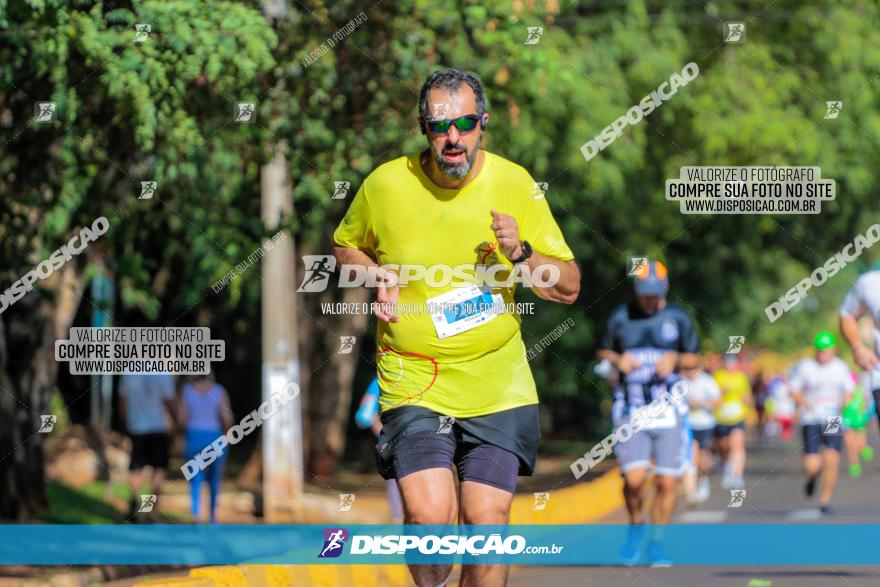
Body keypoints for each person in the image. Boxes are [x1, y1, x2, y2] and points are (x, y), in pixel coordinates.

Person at [332, 68, 580, 587]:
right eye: (439, 125)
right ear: (424, 127)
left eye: (465, 123)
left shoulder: (514, 184)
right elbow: (343, 246)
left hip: (497, 384)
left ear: (483, 124)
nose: (453, 137)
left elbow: (569, 285)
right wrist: (373, 272)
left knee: (487, 523)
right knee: (428, 521)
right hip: (415, 379)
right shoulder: (385, 184)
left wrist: (521, 253)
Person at [597, 259, 699, 565]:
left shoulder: (678, 319)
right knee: (634, 479)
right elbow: (602, 351)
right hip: (632, 410)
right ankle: (637, 525)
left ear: (664, 289)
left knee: (668, 482)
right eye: (643, 293)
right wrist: (617, 360)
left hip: (670, 413)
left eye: (654, 293)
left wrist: (676, 359)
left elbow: (697, 360)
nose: (649, 299)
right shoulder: (620, 318)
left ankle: (657, 543)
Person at [788, 331, 854, 514]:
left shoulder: (840, 367)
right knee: (812, 465)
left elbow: (848, 391)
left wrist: (844, 405)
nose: (823, 354)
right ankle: (812, 478)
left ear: (833, 350)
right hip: (811, 418)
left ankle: (825, 500)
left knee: (832, 459)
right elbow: (793, 389)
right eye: (820, 350)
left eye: (826, 350)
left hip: (832, 417)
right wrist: (803, 401)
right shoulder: (806, 367)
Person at [118, 373, 176, 521]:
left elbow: (122, 402)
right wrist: (176, 421)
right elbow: (168, 401)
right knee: (158, 470)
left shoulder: (128, 373)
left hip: (136, 427)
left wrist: (125, 422)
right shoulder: (163, 374)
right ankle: (151, 512)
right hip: (158, 427)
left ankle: (135, 501)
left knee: (136, 468)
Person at [181, 372, 234, 523]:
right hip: (215, 437)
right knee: (214, 478)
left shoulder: (187, 391)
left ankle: (196, 513)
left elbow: (182, 418)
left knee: (195, 477)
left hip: (193, 436)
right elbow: (226, 417)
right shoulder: (219, 391)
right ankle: (212, 515)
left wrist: (180, 434)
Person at [355, 377, 403, 523]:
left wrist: (382, 432)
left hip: (393, 438)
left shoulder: (381, 378)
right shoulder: (380, 380)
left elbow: (364, 416)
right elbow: (364, 415)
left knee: (395, 480)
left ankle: (398, 519)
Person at [839, 265, 880, 429]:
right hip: (878, 378)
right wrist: (857, 347)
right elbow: (847, 314)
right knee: (850, 432)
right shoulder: (870, 282)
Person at [680, 361, 721, 506]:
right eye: (686, 368)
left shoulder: (707, 380)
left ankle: (703, 479)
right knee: (692, 457)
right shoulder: (681, 381)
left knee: (703, 459)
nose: (689, 371)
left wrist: (701, 403)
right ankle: (691, 494)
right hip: (688, 425)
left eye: (691, 368)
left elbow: (717, 401)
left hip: (705, 424)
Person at [712, 355, 752, 490]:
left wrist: (746, 400)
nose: (731, 366)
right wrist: (722, 392)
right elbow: (712, 396)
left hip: (737, 416)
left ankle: (737, 475)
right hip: (721, 418)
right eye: (729, 363)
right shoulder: (718, 376)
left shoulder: (741, 377)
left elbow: (747, 395)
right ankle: (726, 466)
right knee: (724, 446)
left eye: (734, 364)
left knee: (737, 445)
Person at [842, 371, 875, 477]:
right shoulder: (861, 391)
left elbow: (868, 405)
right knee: (851, 445)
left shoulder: (855, 392)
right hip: (852, 421)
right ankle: (855, 465)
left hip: (856, 420)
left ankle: (861, 453)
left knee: (853, 445)